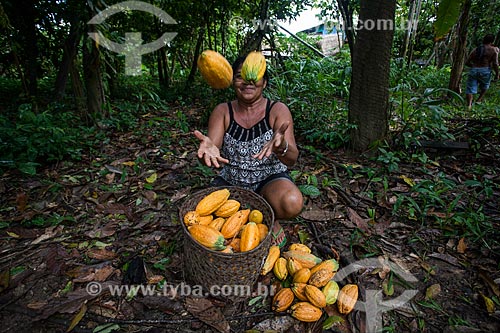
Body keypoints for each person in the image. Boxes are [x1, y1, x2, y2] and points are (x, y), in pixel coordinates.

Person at [193, 53, 304, 247]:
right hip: (232, 179)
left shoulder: (277, 110)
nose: (247, 82)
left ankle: (271, 217)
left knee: (292, 201)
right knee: (202, 218)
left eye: (254, 76)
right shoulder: (223, 111)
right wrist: (207, 152)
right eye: (239, 76)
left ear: (265, 82)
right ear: (232, 80)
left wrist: (281, 147)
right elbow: (212, 151)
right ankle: (249, 215)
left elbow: (292, 158)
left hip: (269, 180)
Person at [465, 34, 499, 110]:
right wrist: (497, 74)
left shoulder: (476, 49)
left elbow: (467, 62)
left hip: (474, 69)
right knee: (485, 86)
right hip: (485, 70)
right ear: (492, 41)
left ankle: (469, 105)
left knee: (470, 88)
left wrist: (474, 66)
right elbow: (495, 63)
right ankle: (479, 100)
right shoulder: (494, 50)